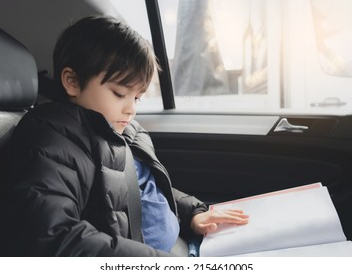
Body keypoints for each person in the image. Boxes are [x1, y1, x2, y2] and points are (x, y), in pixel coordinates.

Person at [4, 15, 249, 256]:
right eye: (120, 94)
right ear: (72, 81)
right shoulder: (52, 139)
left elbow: (145, 189)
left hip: (184, 246)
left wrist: (192, 212)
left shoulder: (124, 130)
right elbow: (52, 234)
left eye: (137, 97)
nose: (131, 108)